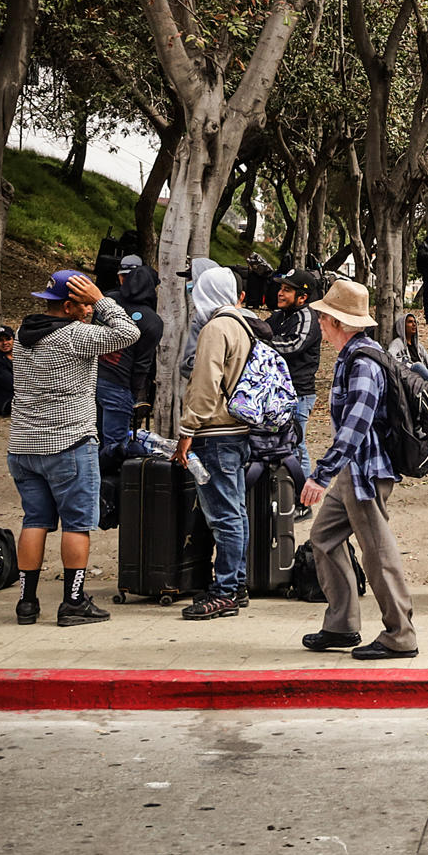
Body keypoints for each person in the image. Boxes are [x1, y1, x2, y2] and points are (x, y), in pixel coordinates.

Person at [6, 270, 139, 626]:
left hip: (23, 444)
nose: (88, 311)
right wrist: (101, 298)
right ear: (68, 306)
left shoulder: (22, 334)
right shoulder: (75, 335)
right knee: (77, 525)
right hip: (69, 443)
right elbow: (129, 332)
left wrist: (91, 302)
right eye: (82, 306)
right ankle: (73, 602)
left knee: (34, 521)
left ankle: (26, 603)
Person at [298, 280, 420, 660]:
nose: (319, 322)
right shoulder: (357, 355)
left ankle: (400, 635)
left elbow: (356, 425)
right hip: (356, 469)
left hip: (365, 471)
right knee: (324, 536)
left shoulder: (363, 362)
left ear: (337, 321)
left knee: (377, 553)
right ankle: (342, 624)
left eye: (323, 316)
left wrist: (321, 473)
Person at [172, 264, 260, 622]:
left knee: (223, 516)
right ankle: (235, 585)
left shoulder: (214, 328)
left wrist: (187, 429)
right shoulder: (242, 323)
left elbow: (205, 382)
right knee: (236, 511)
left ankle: (224, 591)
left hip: (215, 433)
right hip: (237, 430)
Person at [96, 263, 164, 476]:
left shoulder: (108, 302)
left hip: (90, 381)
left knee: (90, 439)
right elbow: (142, 365)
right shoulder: (152, 321)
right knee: (115, 446)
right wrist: (135, 395)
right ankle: (110, 493)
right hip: (119, 386)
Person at [264, 269, 324, 480]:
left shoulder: (307, 317)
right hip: (277, 392)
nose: (280, 293)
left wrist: (261, 344)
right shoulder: (279, 316)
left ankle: (302, 500)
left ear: (303, 297)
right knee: (279, 446)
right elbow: (262, 330)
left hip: (299, 394)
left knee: (297, 445)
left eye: (287, 290)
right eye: (281, 288)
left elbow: (293, 345)